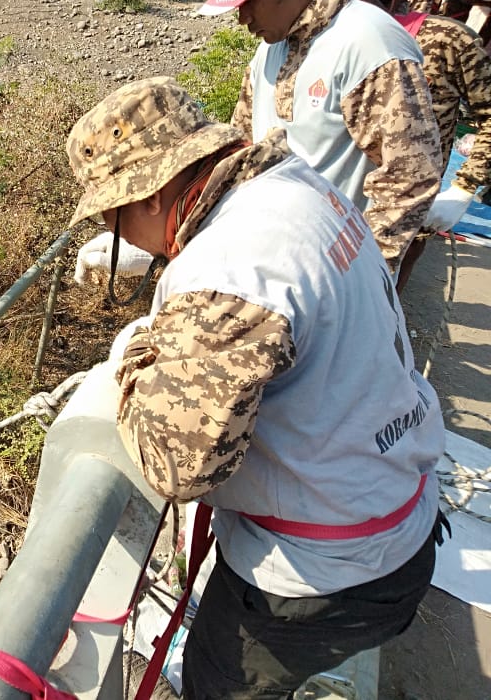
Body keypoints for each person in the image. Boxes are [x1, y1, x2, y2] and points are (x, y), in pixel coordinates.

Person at [66, 77, 446, 700]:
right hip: (394, 512)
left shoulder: (230, 272)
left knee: (217, 684)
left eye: (114, 215)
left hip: (322, 582)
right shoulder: (296, 184)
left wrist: (137, 354)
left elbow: (177, 465)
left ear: (153, 195)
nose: (117, 233)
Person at [199, 0, 442, 277]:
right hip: (270, 263)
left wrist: (355, 276)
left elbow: (410, 175)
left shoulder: (367, 44)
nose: (242, 17)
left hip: (328, 276)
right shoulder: (272, 44)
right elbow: (244, 147)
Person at [323, 0, 491, 288]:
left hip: (403, 215)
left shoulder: (446, 40)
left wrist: (464, 187)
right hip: (332, 205)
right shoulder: (322, 39)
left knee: (384, 297)